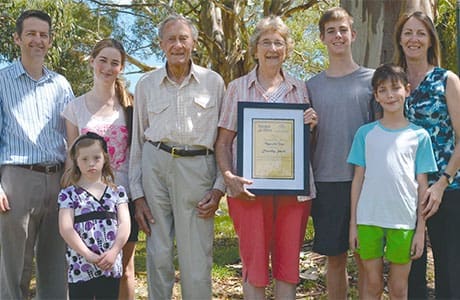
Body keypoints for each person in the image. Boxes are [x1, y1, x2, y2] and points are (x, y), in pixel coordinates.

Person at [215, 16, 317, 299]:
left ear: (287, 49)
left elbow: (308, 145)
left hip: (293, 192)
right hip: (248, 190)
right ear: (255, 48)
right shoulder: (237, 88)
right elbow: (223, 143)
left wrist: (311, 125)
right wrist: (228, 178)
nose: (272, 48)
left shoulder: (300, 89)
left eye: (279, 42)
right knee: (254, 266)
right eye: (266, 42)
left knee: (288, 266)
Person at [129, 14, 225, 299]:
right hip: (155, 166)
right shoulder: (145, 85)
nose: (178, 45)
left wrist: (220, 186)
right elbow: (138, 142)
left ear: (193, 42)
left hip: (197, 169)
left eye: (183, 38)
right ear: (161, 44)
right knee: (158, 254)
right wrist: (137, 195)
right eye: (171, 39)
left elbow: (225, 140)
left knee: (196, 258)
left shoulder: (214, 82)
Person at [0, 9, 74, 299]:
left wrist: (71, 176)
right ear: (18, 38)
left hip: (58, 179)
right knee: (14, 267)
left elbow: (71, 138)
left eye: (43, 35)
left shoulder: (61, 84)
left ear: (50, 40)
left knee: (56, 265)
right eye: (31, 33)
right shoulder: (2, 81)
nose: (37, 40)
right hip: (17, 179)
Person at [347, 64, 437, 299]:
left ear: (407, 90)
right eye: (383, 90)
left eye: (395, 88)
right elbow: (357, 180)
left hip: (403, 222)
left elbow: (423, 185)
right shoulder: (364, 134)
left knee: (399, 288)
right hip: (368, 220)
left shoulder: (419, 136)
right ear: (376, 96)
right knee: (372, 284)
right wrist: (353, 224)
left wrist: (420, 230)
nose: (390, 95)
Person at [305, 7, 378, 299]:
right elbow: (303, 141)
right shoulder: (310, 86)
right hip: (325, 181)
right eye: (331, 31)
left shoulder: (373, 81)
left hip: (367, 183)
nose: (338, 35)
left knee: (366, 259)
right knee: (334, 260)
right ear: (322, 37)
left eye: (343, 30)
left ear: (353, 34)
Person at [62, 38, 138, 300]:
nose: (107, 67)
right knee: (87, 268)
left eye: (114, 63)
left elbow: (137, 154)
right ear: (92, 61)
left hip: (122, 198)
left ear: (122, 68)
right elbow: (72, 159)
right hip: (85, 201)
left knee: (124, 270)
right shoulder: (74, 108)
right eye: (102, 60)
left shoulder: (131, 107)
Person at [393, 11, 460, 299]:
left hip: (447, 187)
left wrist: (442, 183)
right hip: (406, 190)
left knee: (450, 270)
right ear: (399, 39)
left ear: (431, 40)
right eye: (408, 32)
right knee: (410, 273)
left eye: (421, 33)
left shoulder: (446, 80)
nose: (414, 39)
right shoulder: (393, 82)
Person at [58, 132, 130, 299]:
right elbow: (66, 228)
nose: (91, 163)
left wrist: (115, 251)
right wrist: (87, 254)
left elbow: (125, 224)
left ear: (105, 158)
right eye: (84, 159)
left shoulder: (116, 192)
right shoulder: (68, 195)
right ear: (76, 162)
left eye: (96, 158)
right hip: (80, 266)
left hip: (109, 264)